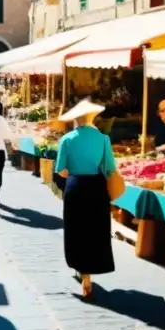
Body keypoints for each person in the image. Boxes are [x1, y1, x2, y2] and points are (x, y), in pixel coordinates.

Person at [54, 99, 117, 299]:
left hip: (75, 187)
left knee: (76, 230)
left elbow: (61, 171)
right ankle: (89, 272)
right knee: (95, 230)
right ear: (92, 118)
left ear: (76, 119)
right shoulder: (103, 139)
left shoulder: (67, 139)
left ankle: (84, 274)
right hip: (96, 188)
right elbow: (109, 169)